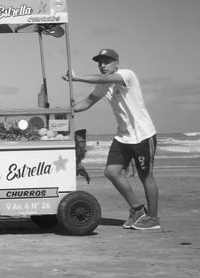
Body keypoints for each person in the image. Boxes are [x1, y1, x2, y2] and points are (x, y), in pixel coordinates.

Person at [63, 48, 160, 230]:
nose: (102, 65)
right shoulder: (102, 86)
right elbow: (88, 101)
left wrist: (76, 78)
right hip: (123, 136)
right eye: (100, 62)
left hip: (143, 135)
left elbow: (103, 78)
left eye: (106, 61)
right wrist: (67, 110)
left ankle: (153, 218)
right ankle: (137, 210)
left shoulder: (126, 75)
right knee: (111, 172)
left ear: (117, 63)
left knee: (146, 176)